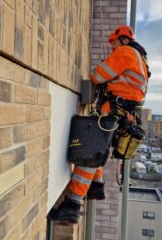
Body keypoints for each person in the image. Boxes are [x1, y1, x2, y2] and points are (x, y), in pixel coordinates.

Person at [48, 25, 151, 224]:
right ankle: (96, 186)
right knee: (99, 148)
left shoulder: (126, 52)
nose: (112, 49)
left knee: (90, 153)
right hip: (124, 114)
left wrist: (104, 68)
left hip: (113, 111)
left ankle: (73, 205)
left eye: (114, 44)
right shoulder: (142, 60)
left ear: (123, 40)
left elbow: (98, 76)